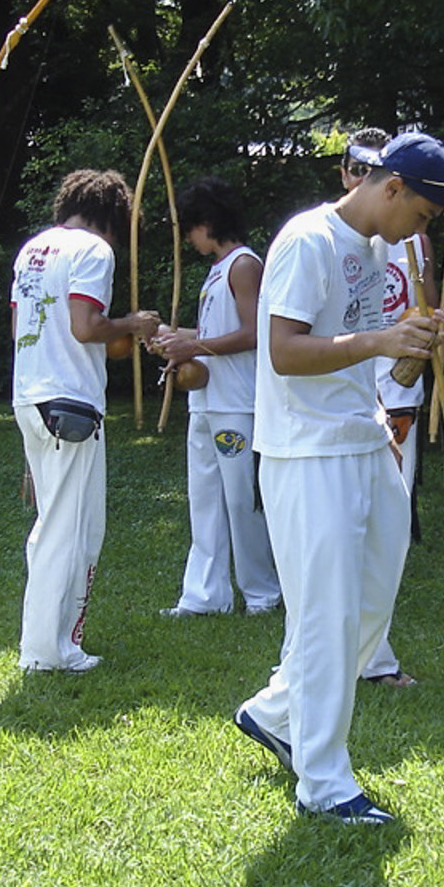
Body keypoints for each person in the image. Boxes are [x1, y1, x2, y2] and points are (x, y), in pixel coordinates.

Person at [232, 131, 444, 824]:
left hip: (362, 438)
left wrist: (421, 329)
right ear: (390, 187)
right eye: (422, 215)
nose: (422, 229)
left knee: (372, 598)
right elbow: (283, 351)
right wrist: (382, 340)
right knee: (329, 613)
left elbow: (375, 347)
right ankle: (324, 781)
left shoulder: (377, 247)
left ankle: (274, 711)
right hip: (307, 452)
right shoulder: (307, 241)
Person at [10, 170, 159, 673]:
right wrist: (133, 325)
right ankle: (49, 650)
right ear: (113, 217)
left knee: (55, 522)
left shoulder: (33, 249)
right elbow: (85, 325)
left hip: (30, 397)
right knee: (70, 528)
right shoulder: (94, 251)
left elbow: (19, 327)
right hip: (70, 401)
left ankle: (46, 643)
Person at [153, 176, 280, 618]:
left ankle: (262, 592)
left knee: (242, 499)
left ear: (207, 222)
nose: (188, 237)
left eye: (190, 227)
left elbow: (255, 333)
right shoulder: (217, 270)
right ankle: (204, 595)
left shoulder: (244, 265)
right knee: (205, 498)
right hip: (206, 402)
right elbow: (214, 333)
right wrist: (173, 338)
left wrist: (195, 347)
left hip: (236, 403)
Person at [339, 128, 430, 687]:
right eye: (351, 167)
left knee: (386, 527)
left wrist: (432, 326)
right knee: (344, 531)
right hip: (342, 401)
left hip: (395, 394)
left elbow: (422, 308)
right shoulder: (322, 238)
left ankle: (375, 656)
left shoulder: (411, 237)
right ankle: (338, 661)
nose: (356, 176)